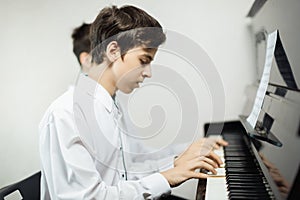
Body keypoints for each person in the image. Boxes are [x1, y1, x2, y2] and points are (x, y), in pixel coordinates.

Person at [39, 5, 227, 199]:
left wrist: (176, 163)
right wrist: (166, 177)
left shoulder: (112, 106)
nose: (148, 73)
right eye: (143, 60)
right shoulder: (66, 114)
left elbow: (126, 174)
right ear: (113, 51)